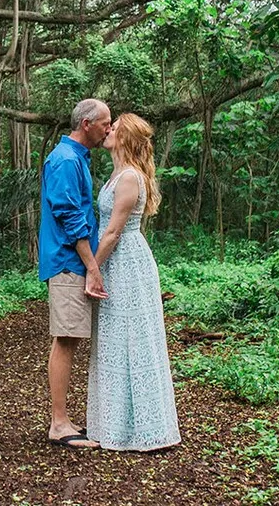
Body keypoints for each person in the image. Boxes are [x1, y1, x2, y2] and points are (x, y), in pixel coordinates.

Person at [86, 112, 182, 452]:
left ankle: (144, 427)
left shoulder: (129, 177)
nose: (108, 130)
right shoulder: (116, 174)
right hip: (114, 261)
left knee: (132, 338)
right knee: (114, 339)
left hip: (126, 262)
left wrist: (92, 269)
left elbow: (113, 232)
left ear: (126, 138)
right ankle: (115, 424)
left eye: (115, 128)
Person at [39, 97, 111, 449]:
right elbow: (70, 218)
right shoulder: (66, 160)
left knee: (70, 337)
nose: (108, 130)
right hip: (68, 262)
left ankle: (63, 419)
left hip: (73, 261)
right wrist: (92, 267)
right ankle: (58, 423)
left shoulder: (77, 158)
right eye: (105, 123)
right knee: (66, 338)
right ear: (87, 124)